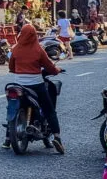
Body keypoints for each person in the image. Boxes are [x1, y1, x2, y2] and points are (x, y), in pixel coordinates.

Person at [4, 23, 64, 153]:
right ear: (33, 35)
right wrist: (57, 70)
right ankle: (57, 137)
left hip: (18, 84)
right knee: (49, 109)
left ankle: (8, 138)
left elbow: (11, 67)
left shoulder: (15, 48)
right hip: (36, 85)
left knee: (12, 106)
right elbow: (49, 67)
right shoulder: (38, 49)